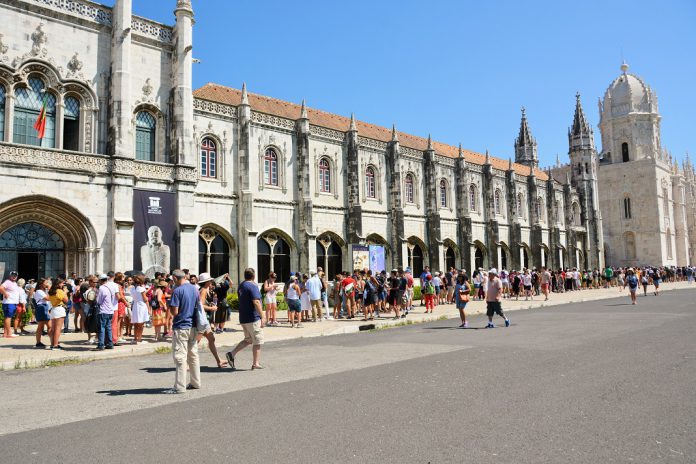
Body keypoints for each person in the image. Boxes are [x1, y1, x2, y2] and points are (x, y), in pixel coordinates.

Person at [168, 269, 202, 393]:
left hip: (181, 326)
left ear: (175, 278)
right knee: (193, 355)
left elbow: (175, 312)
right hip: (193, 325)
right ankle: (195, 382)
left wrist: (169, 305)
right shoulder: (194, 289)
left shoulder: (177, 291)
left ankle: (179, 386)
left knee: (180, 357)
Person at [226, 268, 265, 371]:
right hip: (253, 318)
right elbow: (256, 302)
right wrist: (262, 316)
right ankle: (255, 363)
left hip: (243, 317)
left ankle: (232, 354)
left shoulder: (241, 285)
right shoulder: (252, 286)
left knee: (248, 340)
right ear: (254, 276)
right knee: (257, 341)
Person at [197, 273, 227, 368]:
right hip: (201, 319)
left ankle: (219, 361)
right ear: (207, 282)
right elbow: (200, 305)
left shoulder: (205, 290)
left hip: (204, 319)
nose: (211, 282)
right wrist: (212, 308)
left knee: (211, 339)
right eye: (210, 280)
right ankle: (187, 363)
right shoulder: (204, 290)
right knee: (195, 342)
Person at [95, 274, 118, 351]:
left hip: (103, 310)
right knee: (108, 327)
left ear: (101, 280)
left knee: (102, 327)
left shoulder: (101, 288)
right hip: (110, 310)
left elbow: (99, 301)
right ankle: (110, 343)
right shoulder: (111, 287)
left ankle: (101, 344)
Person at [47, 279, 69, 349]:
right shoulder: (59, 291)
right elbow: (66, 300)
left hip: (53, 309)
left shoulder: (51, 291)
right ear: (59, 284)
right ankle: (55, 345)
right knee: (58, 329)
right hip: (59, 309)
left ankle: (52, 344)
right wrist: (65, 292)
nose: (63, 285)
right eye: (62, 283)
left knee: (53, 329)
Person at [129, 275, 150, 344]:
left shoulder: (132, 288)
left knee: (135, 323)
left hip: (135, 305)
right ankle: (139, 339)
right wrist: (149, 308)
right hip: (141, 306)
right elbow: (145, 299)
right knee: (141, 324)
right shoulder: (141, 289)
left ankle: (135, 338)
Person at [1, 271, 21, 338]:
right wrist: (5, 294)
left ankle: (5, 334)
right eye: (12, 275)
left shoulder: (14, 283)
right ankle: (9, 333)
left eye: (15, 275)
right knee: (8, 317)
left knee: (7, 317)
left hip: (11, 303)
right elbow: (1, 287)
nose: (14, 276)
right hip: (9, 302)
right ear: (10, 276)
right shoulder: (8, 282)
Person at [33, 278, 51, 348]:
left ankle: (39, 342)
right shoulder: (39, 291)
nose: (47, 284)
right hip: (41, 308)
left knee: (43, 326)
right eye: (46, 283)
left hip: (44, 307)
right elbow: (48, 298)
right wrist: (49, 289)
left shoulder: (42, 291)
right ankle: (53, 341)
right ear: (41, 284)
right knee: (45, 326)